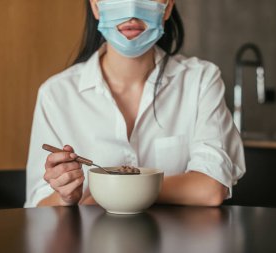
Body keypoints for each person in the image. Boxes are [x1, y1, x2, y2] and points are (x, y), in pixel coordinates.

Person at [24, 0, 246, 208]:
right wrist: (66, 197)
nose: (131, 9)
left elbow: (211, 187)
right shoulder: (56, 94)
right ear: (95, 6)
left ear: (167, 6)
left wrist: (111, 192)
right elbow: (38, 206)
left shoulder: (201, 80)